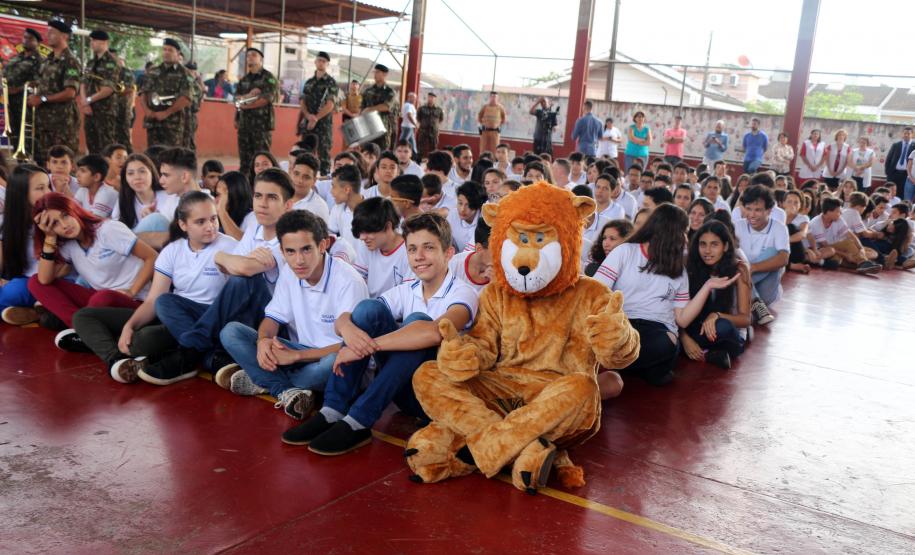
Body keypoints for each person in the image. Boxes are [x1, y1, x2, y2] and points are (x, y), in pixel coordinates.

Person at [281, 212, 478, 455]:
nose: (419, 257)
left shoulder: (463, 293)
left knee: (418, 322)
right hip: (403, 392)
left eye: (428, 248)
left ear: (448, 253)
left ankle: (359, 421)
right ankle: (332, 410)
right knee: (368, 309)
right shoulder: (407, 290)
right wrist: (348, 331)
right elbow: (351, 317)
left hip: (436, 397)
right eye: (412, 249)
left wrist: (365, 346)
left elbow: (432, 334)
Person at [144, 168, 295, 383]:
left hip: (270, 322)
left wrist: (234, 262)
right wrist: (224, 258)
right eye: (258, 196)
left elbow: (243, 271)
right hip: (239, 314)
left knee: (243, 281)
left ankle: (190, 352)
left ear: (288, 205)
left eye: (272, 197)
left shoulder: (291, 239)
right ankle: (211, 356)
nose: (262, 203)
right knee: (165, 302)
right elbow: (227, 266)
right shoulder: (254, 229)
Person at [73, 192, 237, 383]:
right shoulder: (172, 251)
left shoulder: (230, 246)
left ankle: (187, 355)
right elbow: (152, 300)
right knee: (84, 316)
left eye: (213, 219)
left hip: (206, 319)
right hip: (172, 316)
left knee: (144, 338)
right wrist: (130, 325)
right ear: (183, 225)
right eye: (200, 222)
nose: (210, 226)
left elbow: (237, 295)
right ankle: (117, 360)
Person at [219, 209, 368, 417]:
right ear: (282, 250)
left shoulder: (348, 281)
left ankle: (265, 380)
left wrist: (297, 356)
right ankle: (288, 390)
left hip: (341, 359)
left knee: (327, 366)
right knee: (231, 332)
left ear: (323, 245)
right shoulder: (291, 272)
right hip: (301, 355)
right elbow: (273, 318)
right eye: (290, 251)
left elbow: (353, 346)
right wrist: (263, 341)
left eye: (306, 249)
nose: (299, 260)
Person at [595, 204, 731, 386]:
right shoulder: (625, 252)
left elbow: (682, 319)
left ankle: (620, 365)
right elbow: (597, 292)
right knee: (654, 369)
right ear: (669, 233)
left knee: (666, 343)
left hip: (657, 330)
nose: (685, 238)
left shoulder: (678, 270)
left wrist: (708, 286)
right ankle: (638, 367)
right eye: (682, 231)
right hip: (623, 323)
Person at [28, 193, 158, 348]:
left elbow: (152, 257)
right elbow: (44, 279)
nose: (64, 225)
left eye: (65, 215)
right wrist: (49, 237)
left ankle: (86, 332)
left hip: (135, 302)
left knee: (103, 297)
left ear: (74, 210)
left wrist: (131, 291)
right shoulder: (69, 245)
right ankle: (79, 329)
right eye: (55, 224)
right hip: (99, 304)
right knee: (34, 282)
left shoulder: (108, 229)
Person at [681, 221, 751, 370]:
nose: (707, 251)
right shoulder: (688, 265)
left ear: (725, 246)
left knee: (723, 327)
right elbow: (674, 311)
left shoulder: (739, 269)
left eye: (714, 245)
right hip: (692, 328)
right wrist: (684, 338)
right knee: (668, 340)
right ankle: (708, 353)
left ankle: (703, 351)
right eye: (702, 244)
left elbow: (745, 319)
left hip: (720, 328)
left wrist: (717, 315)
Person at [0, 165, 51, 325]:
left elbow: (66, 267)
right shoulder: (7, 223)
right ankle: (39, 311)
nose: (48, 192)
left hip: (55, 280)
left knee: (12, 292)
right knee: (11, 290)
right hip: (26, 281)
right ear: (21, 193)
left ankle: (44, 309)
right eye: (40, 188)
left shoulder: (55, 217)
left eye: (48, 186)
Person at [732, 185, 788, 325]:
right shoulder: (737, 226)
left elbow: (783, 259)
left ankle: (748, 311)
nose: (751, 214)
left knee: (773, 252)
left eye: (758, 210)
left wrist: (752, 268)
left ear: (769, 210)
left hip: (766, 289)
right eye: (748, 209)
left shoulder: (779, 228)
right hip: (741, 287)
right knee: (734, 258)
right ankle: (755, 308)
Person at [29, 20, 81, 167]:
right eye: (48, 32)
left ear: (64, 36)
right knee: (43, 162)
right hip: (43, 122)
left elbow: (70, 92)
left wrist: (42, 99)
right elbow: (42, 84)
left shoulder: (70, 61)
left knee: (62, 164)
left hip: (62, 124)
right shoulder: (47, 61)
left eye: (52, 32)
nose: (48, 35)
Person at [352, 197, 414, 297]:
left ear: (388, 226)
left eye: (368, 231)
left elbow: (407, 295)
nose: (362, 237)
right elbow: (356, 281)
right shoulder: (367, 245)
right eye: (361, 231)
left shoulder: (410, 251)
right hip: (369, 307)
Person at [138, 38, 193, 149]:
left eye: (170, 50)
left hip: (172, 125)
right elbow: (143, 93)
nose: (166, 53)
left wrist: (166, 113)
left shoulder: (184, 73)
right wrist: (147, 111)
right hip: (153, 123)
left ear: (178, 53)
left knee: (171, 158)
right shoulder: (154, 71)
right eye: (164, 50)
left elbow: (186, 98)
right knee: (153, 155)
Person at [807, 197, 882, 275]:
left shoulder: (838, 219)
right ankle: (862, 262)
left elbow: (850, 235)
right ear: (829, 212)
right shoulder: (816, 223)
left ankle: (860, 262)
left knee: (873, 253)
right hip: (824, 250)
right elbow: (826, 246)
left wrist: (861, 249)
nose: (840, 213)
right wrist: (845, 255)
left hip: (839, 247)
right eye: (838, 211)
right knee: (847, 245)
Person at [235, 47, 277, 178]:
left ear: (261, 59)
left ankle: (262, 186)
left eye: (253, 55)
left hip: (261, 127)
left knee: (262, 160)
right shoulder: (244, 80)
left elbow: (266, 99)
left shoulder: (268, 78)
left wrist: (245, 104)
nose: (250, 57)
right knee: (244, 161)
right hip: (244, 125)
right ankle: (244, 189)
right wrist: (237, 117)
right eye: (248, 56)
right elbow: (237, 100)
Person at [3, 28, 43, 154]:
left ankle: (35, 163)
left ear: (38, 43)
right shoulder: (16, 58)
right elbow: (5, 74)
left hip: (25, 102)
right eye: (25, 37)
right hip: (9, 101)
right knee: (13, 133)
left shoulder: (39, 60)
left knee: (27, 135)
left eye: (30, 39)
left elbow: (39, 81)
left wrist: (18, 89)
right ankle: (19, 163)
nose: (26, 40)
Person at [112, 153, 170, 234]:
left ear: (152, 173)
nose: (137, 177)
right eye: (130, 173)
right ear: (125, 178)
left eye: (142, 171)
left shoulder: (168, 196)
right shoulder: (123, 200)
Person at [299, 51, 337, 175]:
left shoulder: (331, 82)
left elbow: (330, 104)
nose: (321, 63)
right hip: (309, 122)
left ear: (327, 64)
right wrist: (308, 116)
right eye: (319, 60)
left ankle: (324, 181)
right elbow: (302, 101)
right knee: (306, 153)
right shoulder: (309, 82)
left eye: (324, 61)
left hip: (323, 125)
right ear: (315, 62)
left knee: (324, 155)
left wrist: (316, 118)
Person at [360, 64, 397, 150]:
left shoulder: (390, 91)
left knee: (382, 153)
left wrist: (369, 109)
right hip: (368, 127)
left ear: (385, 74)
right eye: (374, 72)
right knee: (366, 153)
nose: (375, 74)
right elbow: (362, 108)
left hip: (382, 128)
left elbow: (386, 106)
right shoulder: (368, 90)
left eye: (378, 72)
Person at [72, 154, 118, 219]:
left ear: (96, 177)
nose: (77, 174)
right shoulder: (83, 190)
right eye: (78, 170)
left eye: (83, 171)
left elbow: (93, 221)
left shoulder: (106, 193)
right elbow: (71, 211)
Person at [290, 153, 330, 223]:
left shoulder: (319, 207)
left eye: (306, 177)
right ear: (291, 173)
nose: (299, 180)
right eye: (296, 174)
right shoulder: (281, 195)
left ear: (314, 181)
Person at [214, 171, 253, 240]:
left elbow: (243, 243)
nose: (216, 200)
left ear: (234, 194)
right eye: (216, 195)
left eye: (219, 195)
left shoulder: (252, 217)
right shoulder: (218, 217)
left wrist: (222, 211)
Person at [449, 180, 486, 252]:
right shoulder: (452, 215)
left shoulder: (484, 220)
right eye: (460, 203)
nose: (462, 209)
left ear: (477, 205)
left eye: (468, 205)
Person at [111, 49, 136, 153]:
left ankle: (129, 157)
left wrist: (111, 92)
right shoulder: (104, 71)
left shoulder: (125, 72)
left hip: (122, 109)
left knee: (124, 136)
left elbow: (130, 88)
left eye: (112, 57)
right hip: (106, 109)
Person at [182, 61, 205, 152]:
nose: (191, 73)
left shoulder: (195, 87)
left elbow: (193, 104)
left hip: (189, 117)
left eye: (193, 71)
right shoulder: (182, 83)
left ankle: (190, 163)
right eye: (189, 71)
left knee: (188, 144)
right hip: (179, 117)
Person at [884, 127, 913, 193]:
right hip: (893, 173)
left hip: (906, 174)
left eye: (908, 133)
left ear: (912, 135)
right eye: (905, 133)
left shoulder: (914, 146)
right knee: (890, 192)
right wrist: (888, 172)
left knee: (902, 193)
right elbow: (889, 159)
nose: (906, 135)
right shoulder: (896, 145)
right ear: (902, 134)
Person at [416, 92, 444, 159]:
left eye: (432, 98)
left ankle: (432, 162)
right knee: (421, 147)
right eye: (429, 97)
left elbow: (441, 119)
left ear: (435, 99)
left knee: (433, 147)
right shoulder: (422, 108)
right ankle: (418, 161)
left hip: (434, 131)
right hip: (423, 130)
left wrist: (434, 125)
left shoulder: (439, 109)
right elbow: (418, 118)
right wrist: (424, 124)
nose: (430, 99)